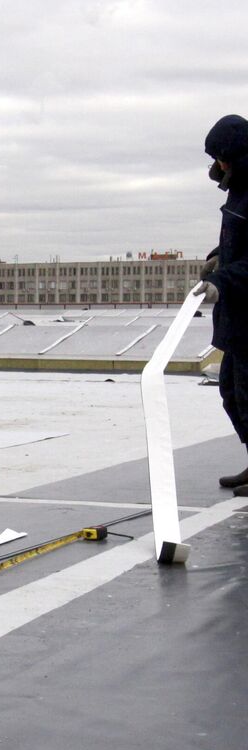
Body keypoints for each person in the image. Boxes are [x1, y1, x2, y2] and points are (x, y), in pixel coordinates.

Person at [196, 115, 248, 495]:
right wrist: (219, 256)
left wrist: (221, 281)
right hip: (240, 319)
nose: (219, 165)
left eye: (222, 157)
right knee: (233, 391)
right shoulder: (240, 190)